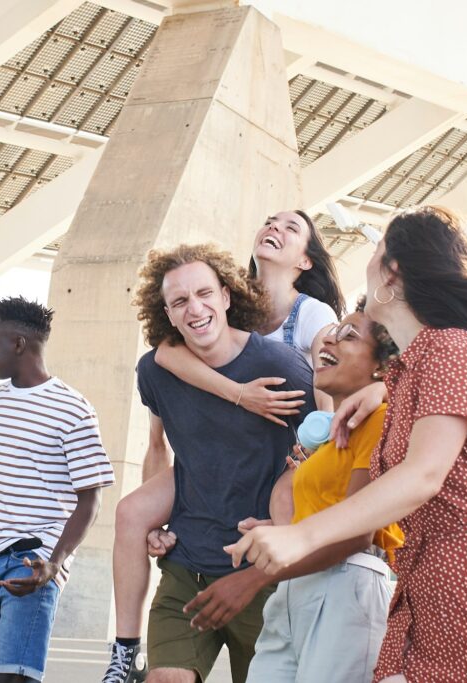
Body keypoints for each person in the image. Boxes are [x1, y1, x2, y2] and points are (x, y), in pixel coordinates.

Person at [228, 207, 467, 681]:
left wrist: (301, 535)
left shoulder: (452, 348)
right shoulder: (412, 371)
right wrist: (380, 387)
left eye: (377, 250)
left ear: (394, 272)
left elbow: (424, 475)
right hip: (440, 596)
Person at [104, 211, 342, 683]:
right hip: (187, 566)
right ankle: (124, 652)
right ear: (167, 314)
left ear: (227, 296)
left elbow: (328, 443)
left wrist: (288, 520)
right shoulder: (157, 370)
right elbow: (157, 447)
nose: (194, 309)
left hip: (262, 574)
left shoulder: (286, 364)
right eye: (180, 301)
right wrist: (160, 520)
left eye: (204, 294)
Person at [0, 296, 115, 683]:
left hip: (32, 564)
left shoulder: (74, 409)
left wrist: (56, 562)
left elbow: (90, 500)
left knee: (11, 680)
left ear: (18, 344)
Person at [241, 298, 402, 682]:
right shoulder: (330, 438)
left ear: (381, 367)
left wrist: (253, 577)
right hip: (297, 585)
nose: (328, 343)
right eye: (330, 333)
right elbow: (320, 514)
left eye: (348, 337)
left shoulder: (379, 419)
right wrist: (273, 533)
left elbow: (356, 530)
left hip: (347, 584)